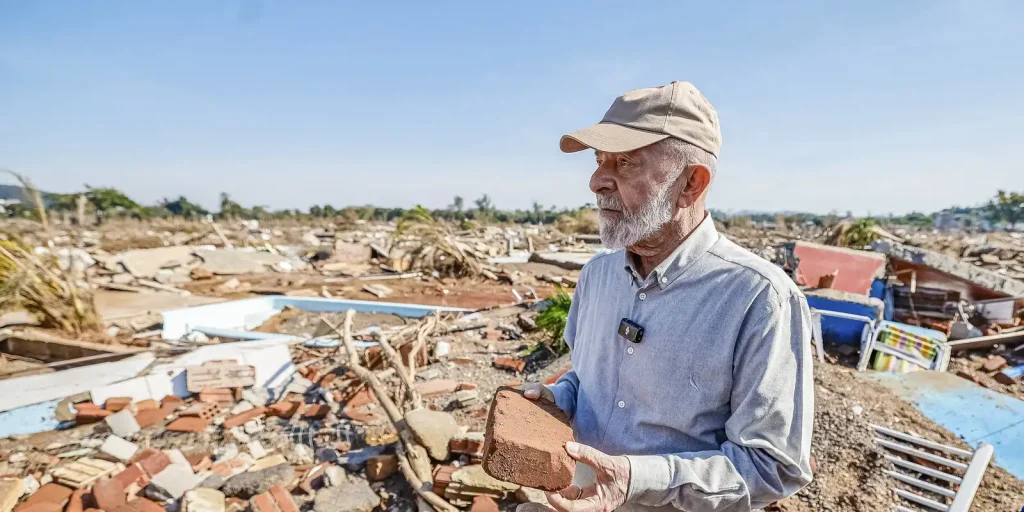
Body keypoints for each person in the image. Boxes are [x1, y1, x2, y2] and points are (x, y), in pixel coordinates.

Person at [520, 82, 814, 512]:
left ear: (691, 183)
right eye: (600, 161)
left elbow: (772, 466)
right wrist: (557, 399)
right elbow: (585, 379)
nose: (597, 181)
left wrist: (635, 481)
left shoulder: (759, 299)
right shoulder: (597, 275)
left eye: (625, 163)